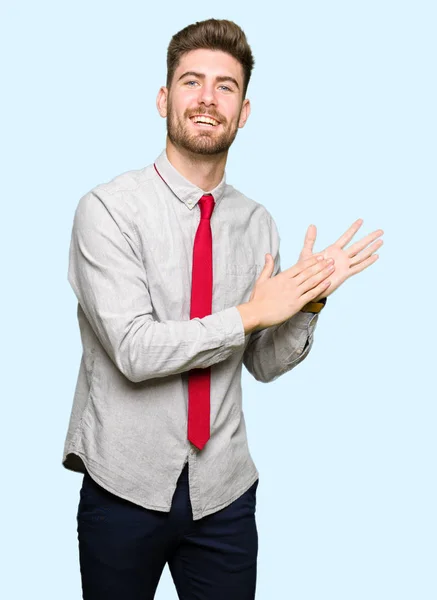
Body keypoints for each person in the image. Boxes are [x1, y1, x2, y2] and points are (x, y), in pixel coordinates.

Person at [62, 18, 384, 600]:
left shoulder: (257, 222)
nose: (207, 99)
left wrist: (310, 297)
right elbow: (135, 350)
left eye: (225, 87)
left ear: (244, 111)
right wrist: (251, 314)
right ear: (164, 98)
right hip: (123, 489)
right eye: (192, 82)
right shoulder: (106, 211)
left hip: (225, 492)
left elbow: (260, 360)